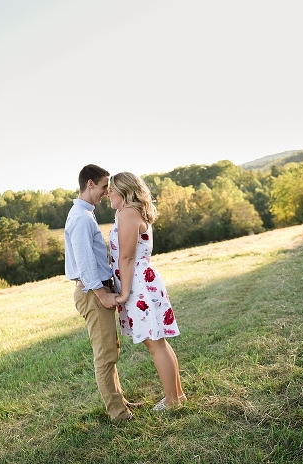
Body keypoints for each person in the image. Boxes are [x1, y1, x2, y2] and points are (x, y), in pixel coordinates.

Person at [65, 164, 138, 421]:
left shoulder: (86, 214)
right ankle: (118, 412)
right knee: (105, 355)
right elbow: (85, 265)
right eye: (105, 186)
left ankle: (119, 401)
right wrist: (103, 295)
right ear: (90, 184)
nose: (107, 192)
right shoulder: (81, 218)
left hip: (96, 290)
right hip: (92, 293)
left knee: (110, 350)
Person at [108, 171, 186, 411]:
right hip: (141, 281)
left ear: (123, 191)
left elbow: (127, 257)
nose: (108, 194)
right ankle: (178, 395)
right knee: (158, 343)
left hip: (138, 285)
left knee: (156, 344)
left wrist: (124, 294)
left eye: (111, 189)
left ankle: (172, 400)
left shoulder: (128, 213)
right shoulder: (130, 212)